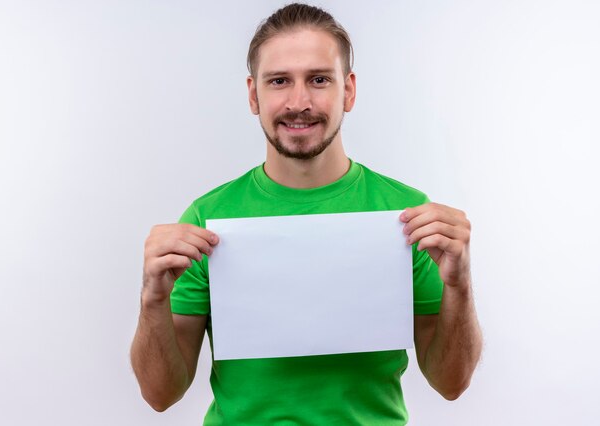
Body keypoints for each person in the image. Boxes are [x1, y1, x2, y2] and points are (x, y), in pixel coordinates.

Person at [131, 3, 482, 425]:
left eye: (319, 79)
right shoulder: (206, 218)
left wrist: (459, 285)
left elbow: (452, 383)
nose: (299, 102)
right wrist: (152, 299)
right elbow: (160, 394)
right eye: (279, 81)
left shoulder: (407, 216)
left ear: (348, 90)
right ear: (253, 94)